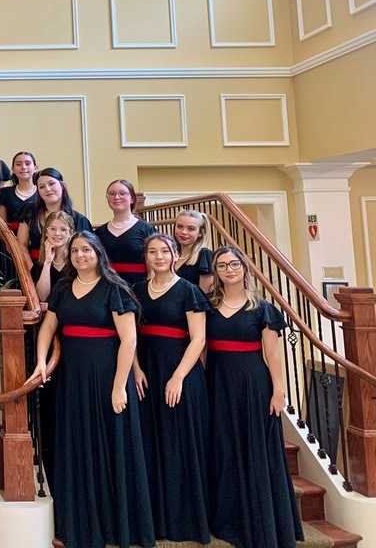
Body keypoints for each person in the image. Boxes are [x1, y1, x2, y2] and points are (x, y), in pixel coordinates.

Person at [33, 231, 155, 548]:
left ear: (98, 253)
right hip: (71, 379)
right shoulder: (62, 289)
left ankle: (116, 527)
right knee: (76, 448)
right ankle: (77, 526)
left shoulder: (115, 289)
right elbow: (47, 327)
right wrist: (41, 362)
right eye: (75, 250)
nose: (80, 255)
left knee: (111, 448)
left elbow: (129, 340)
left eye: (86, 249)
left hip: (107, 378)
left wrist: (119, 386)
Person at [205, 246, 303, 548]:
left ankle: (261, 522)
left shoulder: (262, 309)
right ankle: (228, 519)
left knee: (254, 448)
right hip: (217, 383)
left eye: (234, 264)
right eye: (222, 265)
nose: (229, 269)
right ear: (216, 271)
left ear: (245, 268)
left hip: (252, 385)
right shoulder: (209, 306)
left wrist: (278, 391)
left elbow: (273, 354)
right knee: (224, 448)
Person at [130, 233, 210, 544]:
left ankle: (184, 521)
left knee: (179, 444)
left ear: (175, 255)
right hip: (147, 374)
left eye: (165, 251)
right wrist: (136, 369)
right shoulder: (137, 290)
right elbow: (130, 335)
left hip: (181, 375)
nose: (159, 256)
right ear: (146, 257)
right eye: (152, 251)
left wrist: (177, 378)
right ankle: (156, 521)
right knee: (151, 444)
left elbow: (198, 339)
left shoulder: (189, 291)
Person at [30, 210, 75, 493]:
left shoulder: (79, 261)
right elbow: (42, 297)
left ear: (71, 233)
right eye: (52, 229)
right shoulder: (40, 264)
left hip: (73, 337)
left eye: (62, 230)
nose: (57, 234)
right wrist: (47, 262)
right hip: (49, 336)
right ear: (45, 233)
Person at [17, 167, 92, 271]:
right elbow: (22, 245)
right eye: (42, 187)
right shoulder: (30, 212)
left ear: (62, 186)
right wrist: (32, 273)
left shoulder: (79, 220)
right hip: (36, 269)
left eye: (51, 184)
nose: (47, 189)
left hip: (70, 272)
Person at [94, 178, 155, 288]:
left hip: (139, 289)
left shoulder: (146, 230)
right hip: (107, 289)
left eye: (122, 193)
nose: (117, 197)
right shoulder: (99, 233)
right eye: (112, 194)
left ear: (132, 199)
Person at [174, 209, 214, 293]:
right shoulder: (171, 254)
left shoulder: (205, 255)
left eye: (191, 229)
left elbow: (204, 295)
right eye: (179, 226)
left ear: (200, 233)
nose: (183, 232)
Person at [0, 151, 37, 235]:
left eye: (27, 163)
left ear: (35, 168)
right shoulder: (4, 193)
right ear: (13, 170)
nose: (23, 167)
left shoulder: (42, 193)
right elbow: (2, 226)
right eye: (18, 164)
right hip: (10, 239)